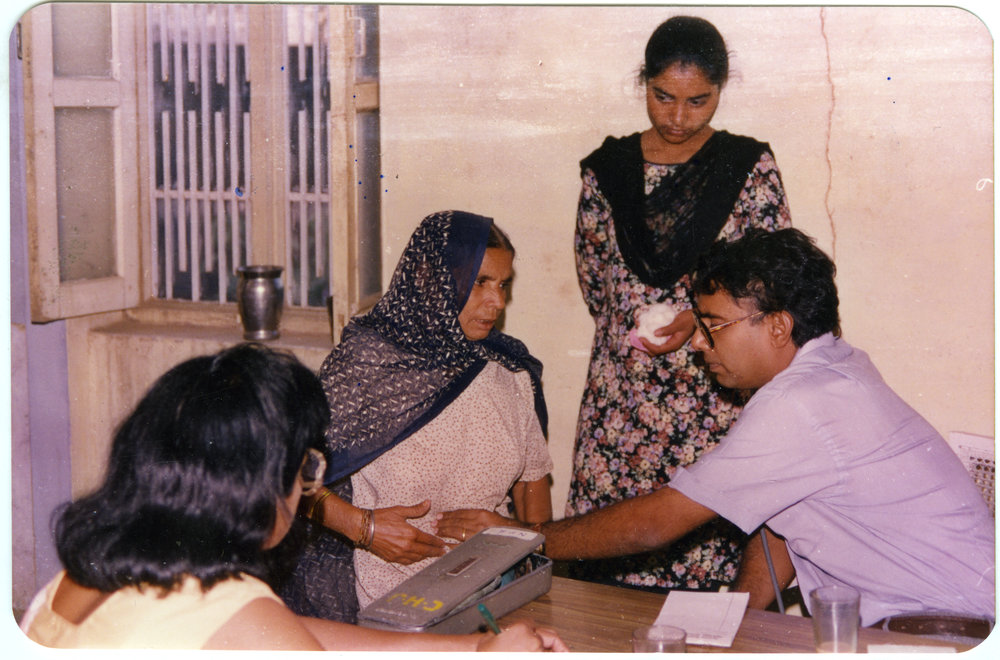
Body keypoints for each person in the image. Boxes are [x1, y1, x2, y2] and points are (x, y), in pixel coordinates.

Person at [441, 228, 995, 627]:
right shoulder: (836, 369)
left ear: (777, 326)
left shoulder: (801, 404)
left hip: (939, 631)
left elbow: (653, 525)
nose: (700, 344)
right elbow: (780, 517)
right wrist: (736, 620)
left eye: (714, 327)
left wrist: (523, 538)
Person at [19, 344, 566, 651]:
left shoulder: (86, 576)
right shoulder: (236, 614)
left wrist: (472, 651)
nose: (307, 485)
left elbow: (304, 634)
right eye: (306, 466)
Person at [566, 14, 791, 592]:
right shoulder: (607, 172)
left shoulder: (746, 169)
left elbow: (769, 280)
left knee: (705, 583)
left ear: (721, 90)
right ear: (643, 82)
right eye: (663, 96)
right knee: (606, 585)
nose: (677, 117)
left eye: (698, 101)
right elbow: (600, 288)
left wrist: (701, 320)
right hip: (619, 405)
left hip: (711, 401)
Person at [277, 210, 554, 622]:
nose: (496, 302)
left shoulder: (508, 372)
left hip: (495, 600)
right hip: (385, 611)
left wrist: (505, 533)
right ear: (429, 277)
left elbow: (537, 514)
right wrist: (363, 529)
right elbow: (285, 475)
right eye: (480, 282)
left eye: (502, 285)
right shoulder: (366, 364)